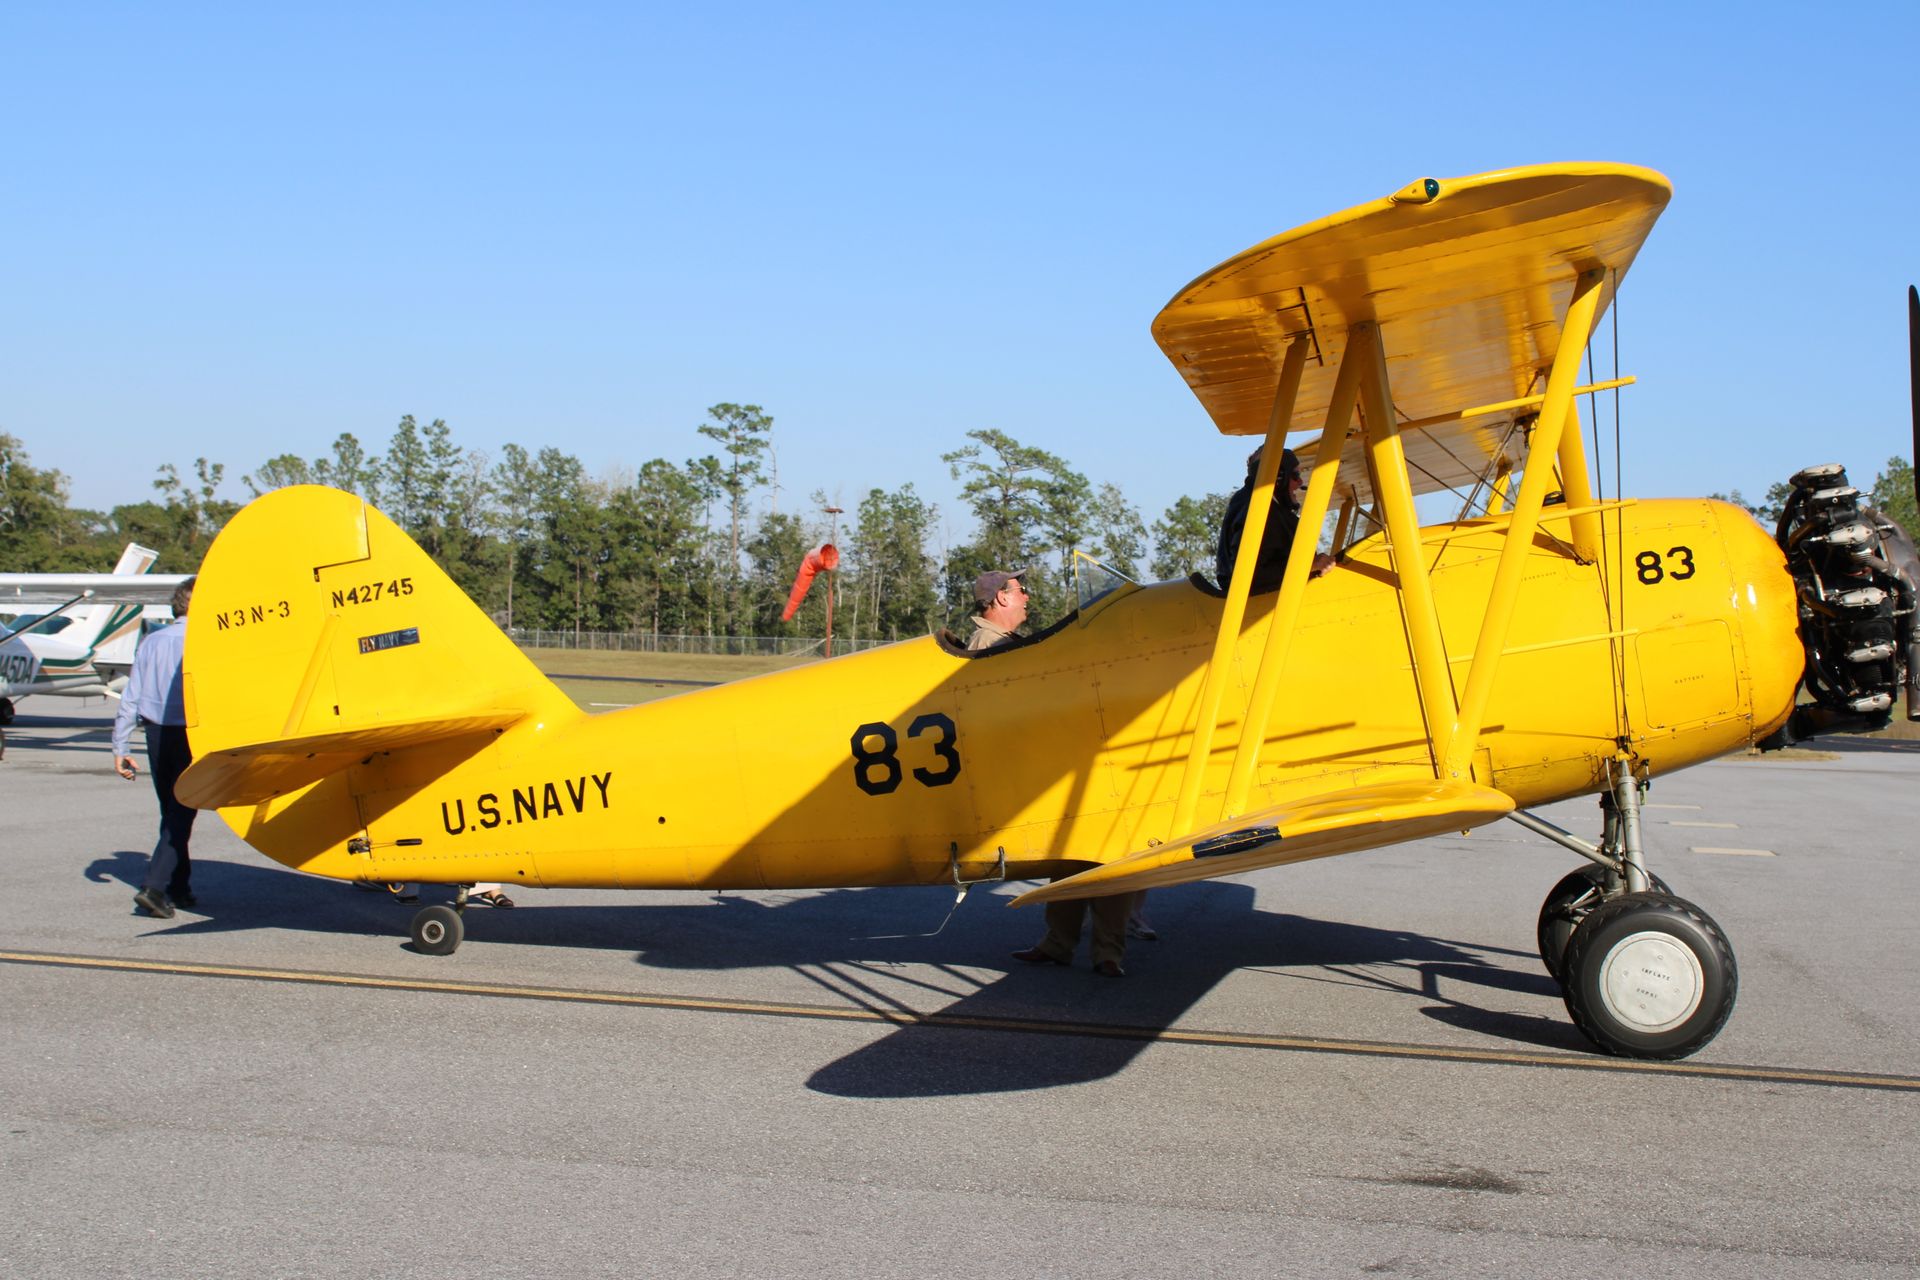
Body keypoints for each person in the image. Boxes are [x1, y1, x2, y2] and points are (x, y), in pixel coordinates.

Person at [113, 578, 196, 919]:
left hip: (157, 734)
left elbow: (130, 696)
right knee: (182, 811)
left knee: (171, 810)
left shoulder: (152, 641)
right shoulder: (203, 641)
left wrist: (120, 745)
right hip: (191, 732)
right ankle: (155, 887)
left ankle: (180, 886)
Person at [1214, 446, 1334, 592]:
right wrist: (1309, 565)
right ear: (1279, 477)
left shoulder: (1250, 501)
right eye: (1295, 475)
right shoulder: (1260, 511)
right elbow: (1250, 575)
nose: (1300, 482)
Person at [966, 567, 1030, 650]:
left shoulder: (996, 640)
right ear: (1002, 598)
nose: (1026, 597)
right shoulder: (990, 641)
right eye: (1021, 590)